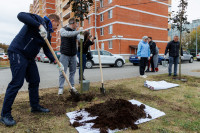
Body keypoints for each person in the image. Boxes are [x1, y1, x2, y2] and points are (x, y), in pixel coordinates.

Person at [0, 12, 60, 126]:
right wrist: (39, 26)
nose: (56, 29)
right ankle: (5, 114)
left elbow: (48, 50)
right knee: (17, 82)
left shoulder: (48, 35)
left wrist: (56, 60)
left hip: (29, 57)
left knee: (34, 80)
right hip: (18, 52)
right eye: (57, 26)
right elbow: (20, 15)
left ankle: (35, 106)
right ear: (53, 21)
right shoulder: (37, 19)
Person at [58, 18, 83, 95]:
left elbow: (80, 39)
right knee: (62, 72)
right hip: (64, 54)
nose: (77, 25)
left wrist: (82, 36)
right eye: (76, 24)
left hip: (73, 55)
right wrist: (78, 32)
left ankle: (72, 86)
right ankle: (61, 88)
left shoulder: (76, 32)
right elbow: (67, 34)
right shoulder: (63, 29)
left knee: (73, 72)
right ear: (72, 23)